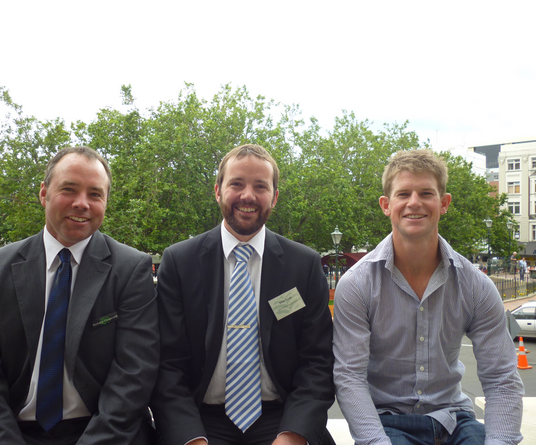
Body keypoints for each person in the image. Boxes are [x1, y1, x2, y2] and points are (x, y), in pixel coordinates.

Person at [0, 146, 159, 445]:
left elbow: (134, 375)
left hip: (105, 433)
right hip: (17, 434)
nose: (82, 203)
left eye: (95, 194)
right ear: (43, 193)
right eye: (69, 189)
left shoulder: (130, 270)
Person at [332, 149, 524, 445]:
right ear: (386, 205)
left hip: (455, 420)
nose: (414, 202)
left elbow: (501, 379)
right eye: (403, 193)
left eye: (426, 193)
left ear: (444, 203)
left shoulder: (475, 285)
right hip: (388, 423)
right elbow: (349, 378)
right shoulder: (357, 285)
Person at [150, 144, 335, 445]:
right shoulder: (179, 262)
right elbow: (166, 364)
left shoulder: (304, 265)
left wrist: (292, 434)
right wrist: (190, 438)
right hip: (201, 420)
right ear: (218, 191)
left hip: (282, 418)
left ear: (274, 197)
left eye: (260, 186)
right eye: (236, 183)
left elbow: (318, 361)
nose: (247, 195)